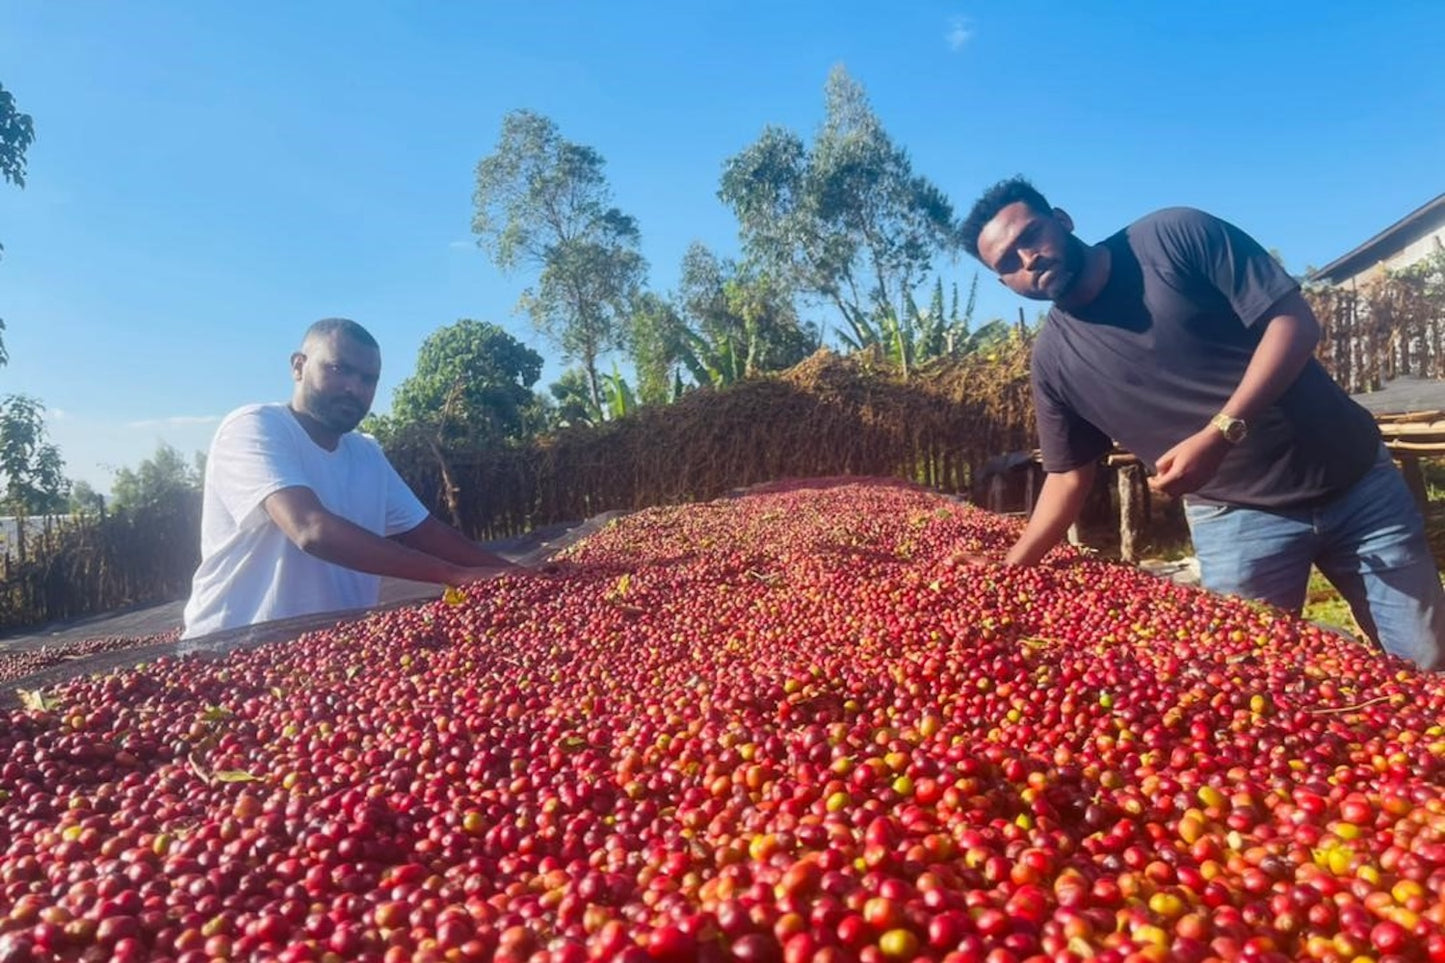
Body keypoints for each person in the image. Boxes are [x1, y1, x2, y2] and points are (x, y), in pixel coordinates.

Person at [955, 176, 1443, 670]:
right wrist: (1012, 566)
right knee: (1251, 682)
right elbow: (1067, 474)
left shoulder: (1173, 237)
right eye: (1008, 263)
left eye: (1030, 236)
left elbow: (1294, 322)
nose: (1028, 259)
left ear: (1062, 220)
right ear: (1004, 284)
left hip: (1354, 484)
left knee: (1425, 660)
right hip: (1236, 519)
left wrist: (1221, 432)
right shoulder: (1055, 361)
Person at [182, 318, 517, 638]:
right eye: (338, 369)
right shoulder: (255, 426)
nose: (354, 388)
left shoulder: (366, 453)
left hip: (333, 654)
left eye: (368, 379)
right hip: (233, 653)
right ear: (298, 366)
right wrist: (453, 575)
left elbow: (425, 531)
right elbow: (310, 529)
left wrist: (511, 574)